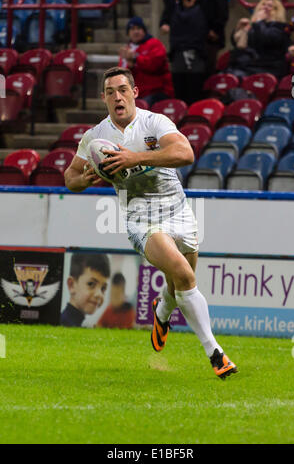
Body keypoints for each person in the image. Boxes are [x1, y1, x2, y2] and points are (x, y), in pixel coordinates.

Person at [64, 66, 237, 379]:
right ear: (103, 98)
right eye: (110, 92)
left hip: (179, 211)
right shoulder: (95, 138)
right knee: (184, 274)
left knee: (179, 284)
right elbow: (70, 178)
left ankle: (163, 309)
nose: (117, 96)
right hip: (140, 218)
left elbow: (186, 153)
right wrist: (85, 179)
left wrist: (136, 157)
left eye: (122, 89)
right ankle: (216, 354)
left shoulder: (154, 122)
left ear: (134, 92)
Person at [160, 0, 208, 105]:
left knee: (195, 92)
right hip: (178, 56)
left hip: (197, 56)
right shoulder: (173, 8)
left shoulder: (203, 9)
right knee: (179, 93)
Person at [226, 0, 290, 79]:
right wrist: (238, 29)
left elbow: (267, 39)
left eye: (270, 6)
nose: (265, 8)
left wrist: (259, 21)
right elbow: (237, 44)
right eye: (263, 4)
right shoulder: (253, 25)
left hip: (266, 68)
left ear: (277, 11)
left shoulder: (280, 27)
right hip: (245, 66)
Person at [118, 16, 174, 108]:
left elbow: (155, 65)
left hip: (157, 91)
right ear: (128, 33)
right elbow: (123, 75)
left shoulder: (154, 44)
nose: (136, 31)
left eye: (139, 28)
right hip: (137, 94)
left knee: (140, 109)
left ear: (144, 30)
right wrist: (130, 66)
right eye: (132, 29)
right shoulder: (127, 49)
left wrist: (136, 58)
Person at [60, 253, 110, 327]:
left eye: (103, 288)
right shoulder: (63, 326)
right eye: (91, 284)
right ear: (71, 285)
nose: (99, 294)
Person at [202, 0, 229, 77]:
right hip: (194, 35)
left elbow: (223, 13)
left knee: (207, 70)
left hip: (211, 37)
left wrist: (215, 31)